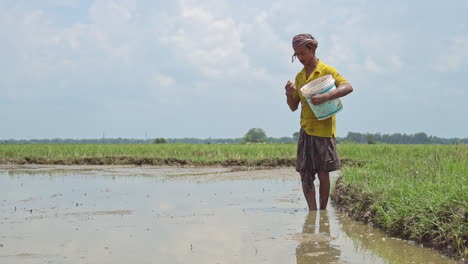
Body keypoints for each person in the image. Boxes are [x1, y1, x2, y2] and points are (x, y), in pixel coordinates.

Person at [285, 34, 353, 211]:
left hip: (323, 130)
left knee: (323, 173)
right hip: (306, 129)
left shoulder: (326, 71)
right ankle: (313, 212)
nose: (300, 58)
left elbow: (347, 86)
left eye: (303, 53)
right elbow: (293, 106)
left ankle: (322, 211)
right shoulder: (299, 77)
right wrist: (288, 93)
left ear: (313, 49)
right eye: (297, 55)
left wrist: (326, 96)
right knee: (304, 173)